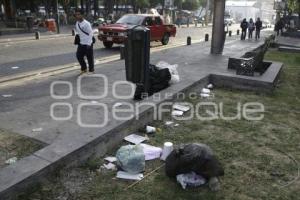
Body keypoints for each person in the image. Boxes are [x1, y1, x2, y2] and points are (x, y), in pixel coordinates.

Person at [74, 9, 94, 74]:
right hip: (81, 43)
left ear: (82, 15)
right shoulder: (77, 23)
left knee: (89, 57)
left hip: (88, 43)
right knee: (79, 56)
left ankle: (91, 70)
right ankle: (84, 68)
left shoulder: (87, 24)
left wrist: (89, 44)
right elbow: (78, 32)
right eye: (76, 14)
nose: (77, 16)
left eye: (78, 14)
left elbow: (90, 34)